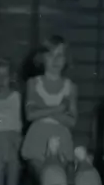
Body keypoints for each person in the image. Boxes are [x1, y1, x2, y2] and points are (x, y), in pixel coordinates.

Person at [20, 36, 79, 177]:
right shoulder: (33, 83)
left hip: (61, 137)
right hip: (38, 137)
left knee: (56, 181)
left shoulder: (70, 87)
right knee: (43, 180)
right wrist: (59, 109)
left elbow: (72, 121)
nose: (55, 59)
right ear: (42, 58)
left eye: (60, 55)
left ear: (66, 59)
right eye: (51, 55)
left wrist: (43, 110)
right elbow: (30, 115)